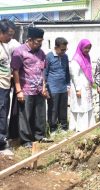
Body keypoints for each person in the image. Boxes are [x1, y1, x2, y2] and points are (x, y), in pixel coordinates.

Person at [11, 27, 51, 148]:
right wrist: (19, 91)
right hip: (26, 89)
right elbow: (15, 71)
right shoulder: (19, 52)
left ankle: (39, 136)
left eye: (41, 41)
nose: (40, 44)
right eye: (38, 41)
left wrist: (44, 87)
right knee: (25, 116)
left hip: (39, 89)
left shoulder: (41, 52)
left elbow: (42, 70)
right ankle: (26, 140)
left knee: (40, 114)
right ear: (30, 39)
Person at [45, 37, 70, 133]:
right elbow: (45, 73)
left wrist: (68, 85)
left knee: (63, 109)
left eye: (65, 49)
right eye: (62, 49)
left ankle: (63, 127)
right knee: (53, 109)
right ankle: (53, 128)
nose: (64, 51)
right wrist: (46, 88)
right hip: (52, 89)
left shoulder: (65, 57)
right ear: (56, 47)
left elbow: (67, 72)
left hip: (63, 88)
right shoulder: (49, 57)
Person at [69, 39, 95, 132]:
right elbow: (74, 75)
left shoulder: (87, 57)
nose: (87, 50)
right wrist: (78, 89)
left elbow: (89, 71)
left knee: (87, 105)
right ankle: (80, 127)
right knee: (80, 106)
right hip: (79, 87)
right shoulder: (76, 59)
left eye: (89, 48)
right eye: (85, 48)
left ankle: (88, 126)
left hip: (86, 86)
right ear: (81, 47)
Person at [0, 19, 16, 154]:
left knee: (4, 114)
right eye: (9, 34)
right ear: (1, 32)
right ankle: (1, 144)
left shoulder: (5, 45)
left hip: (5, 86)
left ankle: (2, 140)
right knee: (1, 115)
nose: (11, 37)